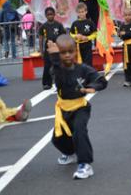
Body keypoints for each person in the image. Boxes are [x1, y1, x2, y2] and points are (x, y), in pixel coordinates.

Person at [47, 34, 107, 180]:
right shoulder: (55, 69)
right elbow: (63, 79)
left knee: (79, 131)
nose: (67, 55)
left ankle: (85, 164)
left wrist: (93, 87)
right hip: (63, 108)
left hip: (80, 107)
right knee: (57, 139)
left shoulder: (83, 69)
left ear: (76, 51)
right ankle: (71, 153)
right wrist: (54, 58)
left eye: (70, 51)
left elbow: (101, 80)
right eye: (63, 52)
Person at [38, 7, 66, 90]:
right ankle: (46, 83)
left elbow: (63, 36)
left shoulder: (59, 25)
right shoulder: (43, 26)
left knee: (59, 66)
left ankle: (61, 82)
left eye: (51, 14)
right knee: (47, 66)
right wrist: (41, 51)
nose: (50, 16)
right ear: (46, 16)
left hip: (58, 48)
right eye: (48, 15)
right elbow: (40, 39)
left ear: (54, 15)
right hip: (48, 49)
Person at [70, 3, 97, 68]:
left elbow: (95, 33)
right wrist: (76, 36)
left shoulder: (89, 22)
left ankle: (88, 76)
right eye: (79, 12)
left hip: (87, 45)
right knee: (79, 63)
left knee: (88, 62)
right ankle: (81, 76)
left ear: (86, 12)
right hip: (78, 46)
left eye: (82, 12)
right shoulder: (75, 23)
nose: (81, 14)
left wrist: (87, 38)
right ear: (77, 13)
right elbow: (71, 33)